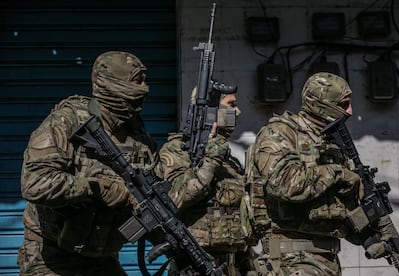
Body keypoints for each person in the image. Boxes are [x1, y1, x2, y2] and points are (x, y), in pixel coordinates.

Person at [17, 51, 158, 275]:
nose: (145, 88)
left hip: (102, 258)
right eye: (137, 81)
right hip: (50, 258)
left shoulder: (139, 138)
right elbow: (34, 183)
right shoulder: (67, 122)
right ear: (112, 84)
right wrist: (99, 188)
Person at [243, 72, 366, 275]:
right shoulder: (280, 133)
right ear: (321, 104)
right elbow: (284, 184)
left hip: (324, 261)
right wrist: (338, 174)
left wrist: (371, 233)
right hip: (290, 261)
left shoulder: (329, 144)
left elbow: (341, 209)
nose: (350, 112)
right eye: (344, 105)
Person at [157, 90, 249, 275]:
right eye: (231, 105)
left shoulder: (229, 160)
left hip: (231, 263)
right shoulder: (178, 151)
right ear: (211, 111)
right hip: (195, 263)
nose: (237, 111)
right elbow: (176, 198)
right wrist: (210, 159)